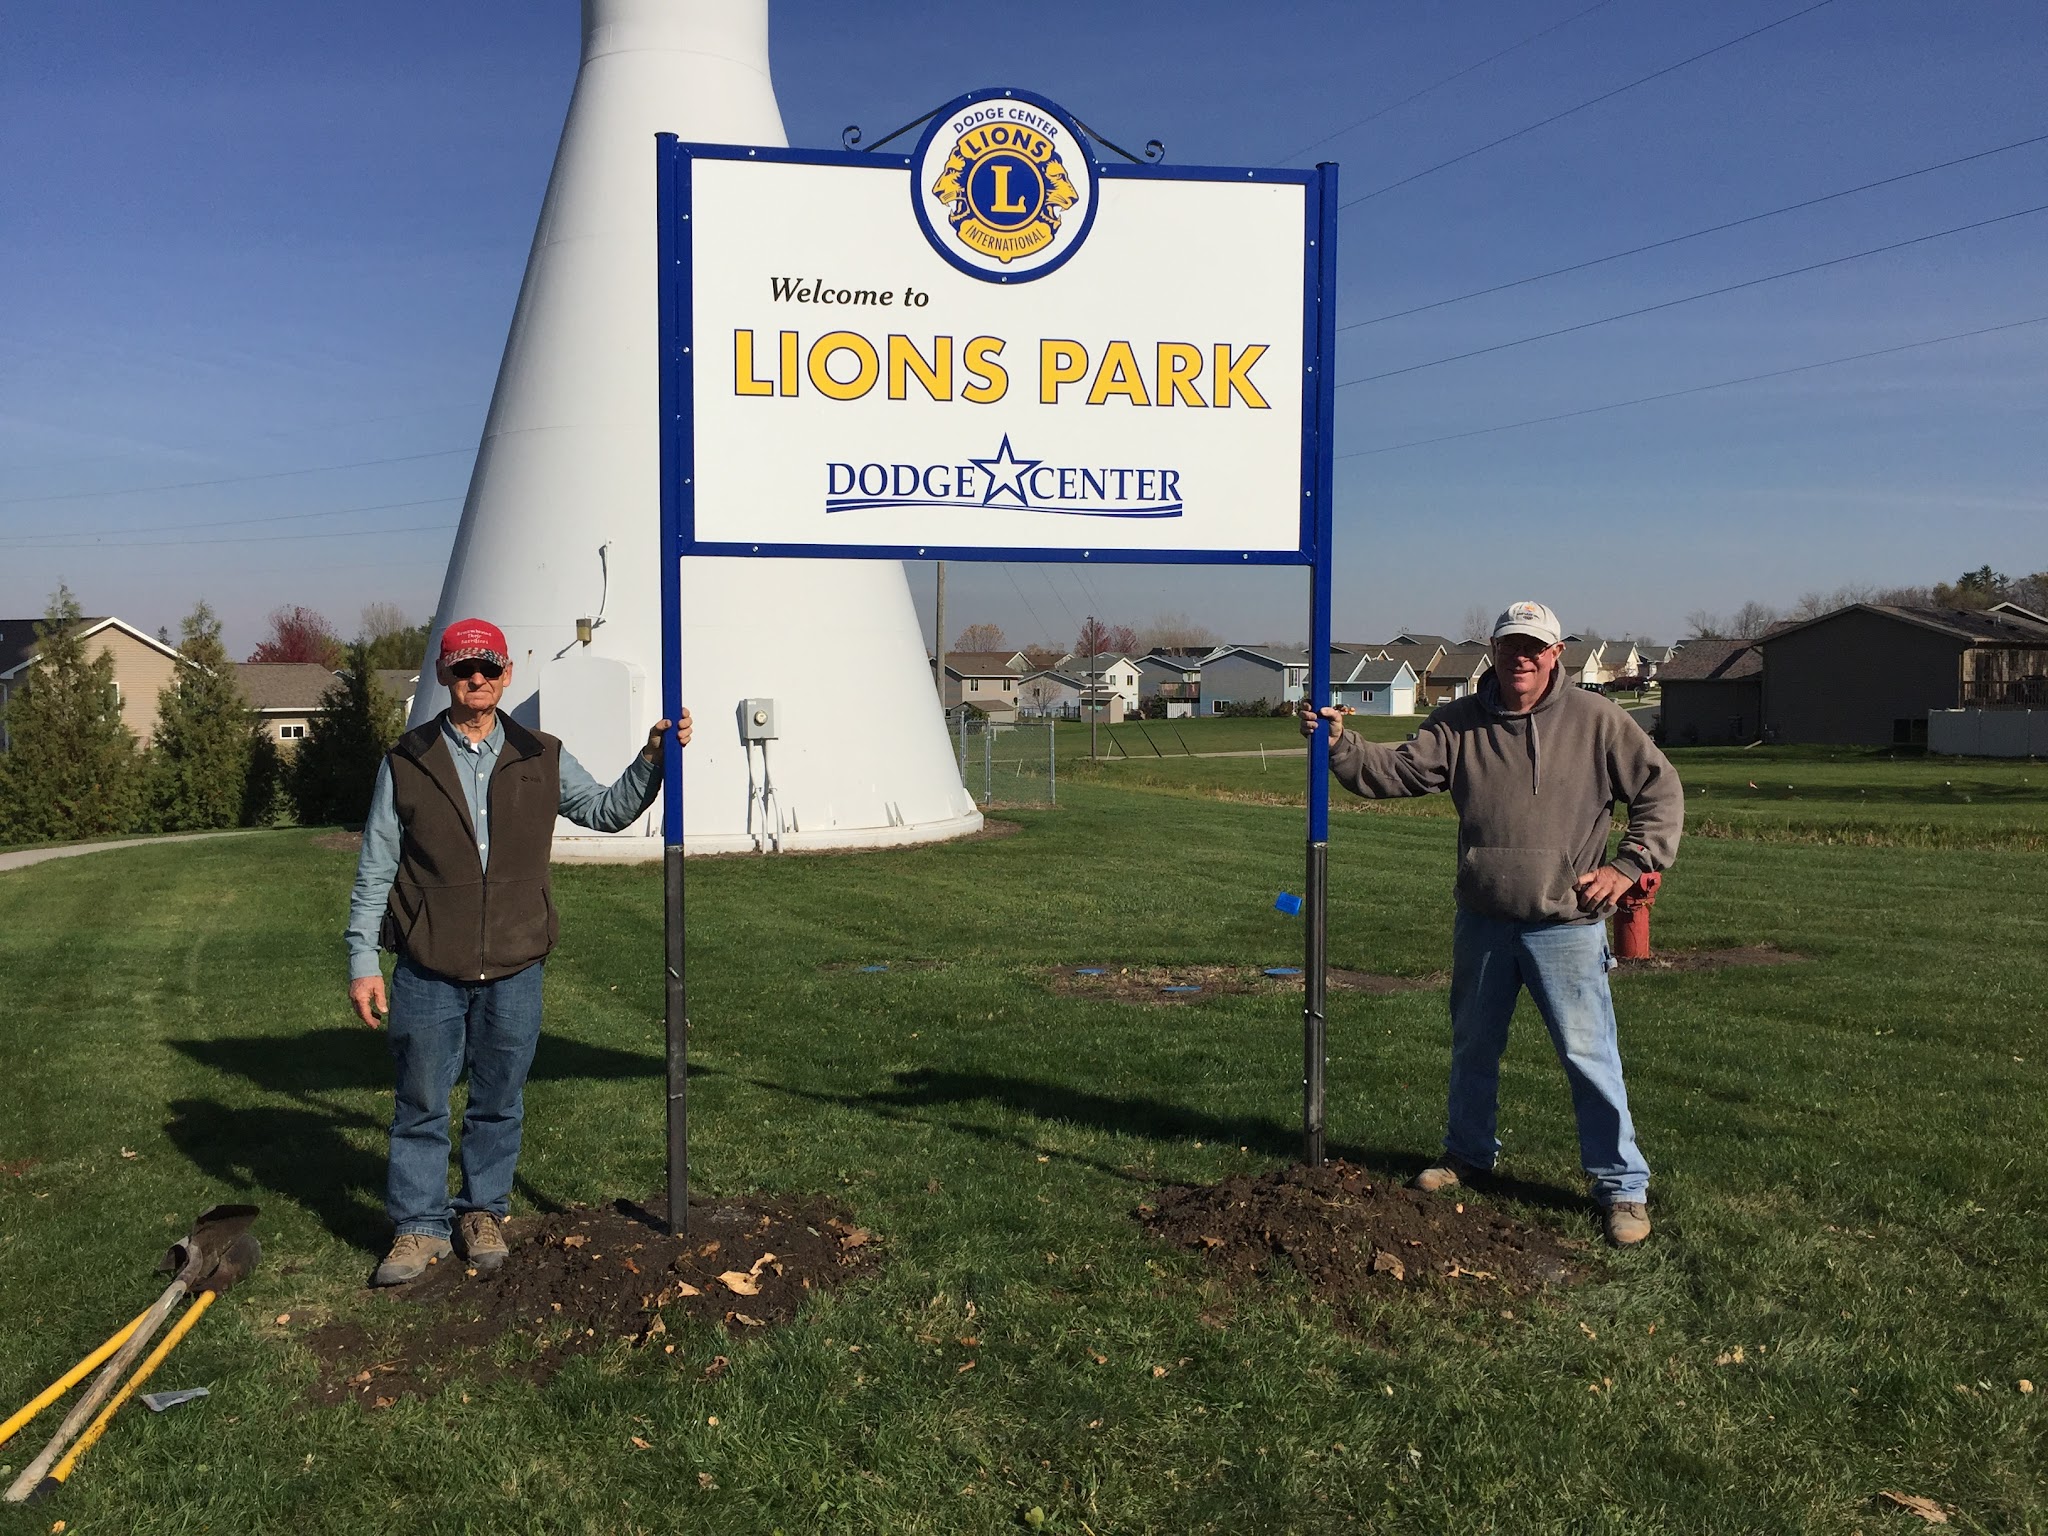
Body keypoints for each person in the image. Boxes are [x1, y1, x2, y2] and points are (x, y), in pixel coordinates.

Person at [1299, 602, 1682, 1245]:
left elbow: (1659, 792)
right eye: (1510, 646)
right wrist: (1341, 744)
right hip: (1482, 920)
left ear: (1557, 654)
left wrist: (1628, 865)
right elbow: (1398, 771)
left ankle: (1622, 1188)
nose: (1522, 658)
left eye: (1535, 647)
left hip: (1566, 922)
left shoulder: (1599, 722)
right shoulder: (1459, 723)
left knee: (1589, 1057)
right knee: (1474, 1048)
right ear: (1495, 654)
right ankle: (1468, 1156)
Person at [345, 617, 692, 1285]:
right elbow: (376, 867)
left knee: (499, 1100)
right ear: (446, 676)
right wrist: (364, 960)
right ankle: (417, 1227)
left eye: (489, 668)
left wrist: (653, 758)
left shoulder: (542, 754)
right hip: (428, 966)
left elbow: (606, 810)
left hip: (515, 963)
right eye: (463, 668)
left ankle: (481, 1212)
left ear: (506, 676)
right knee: (420, 1099)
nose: (477, 679)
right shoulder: (407, 760)